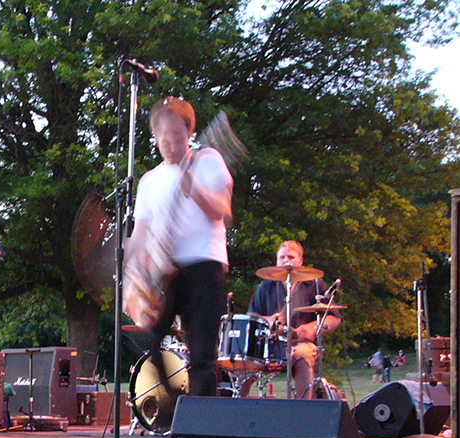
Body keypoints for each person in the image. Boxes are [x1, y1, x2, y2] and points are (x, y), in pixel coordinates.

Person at [124, 97, 233, 400]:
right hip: (166, 272)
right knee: (153, 342)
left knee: (202, 353)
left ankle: (203, 422)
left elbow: (224, 210)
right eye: (164, 139)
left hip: (204, 266)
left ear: (189, 134)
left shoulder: (207, 160)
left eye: (177, 138)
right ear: (155, 138)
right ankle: (176, 400)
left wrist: (197, 192)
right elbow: (141, 233)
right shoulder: (149, 181)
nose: (171, 146)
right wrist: (131, 278)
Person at [247, 241, 341, 399]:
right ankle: (237, 408)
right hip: (271, 345)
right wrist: (268, 320)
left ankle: (303, 409)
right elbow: (252, 316)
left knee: (303, 355)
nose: (286, 260)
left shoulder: (315, 285)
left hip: (302, 343)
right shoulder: (266, 286)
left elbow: (334, 317)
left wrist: (313, 328)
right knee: (244, 360)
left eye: (290, 256)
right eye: (282, 257)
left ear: (300, 260)